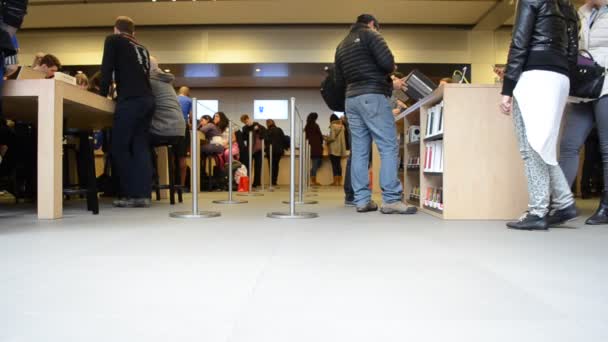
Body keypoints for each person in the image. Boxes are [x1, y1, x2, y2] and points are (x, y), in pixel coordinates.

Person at [500, 0, 579, 230]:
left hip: (535, 76)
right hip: (559, 78)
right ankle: (564, 204)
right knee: (542, 145)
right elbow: (573, 50)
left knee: (530, 147)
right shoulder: (569, 6)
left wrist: (507, 89)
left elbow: (519, 43)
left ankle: (538, 211)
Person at [334, 14, 417, 215]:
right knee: (388, 145)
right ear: (372, 24)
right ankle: (391, 199)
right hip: (373, 95)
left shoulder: (341, 45)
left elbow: (338, 79)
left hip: (351, 100)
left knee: (360, 151)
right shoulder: (371, 35)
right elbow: (388, 64)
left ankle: (362, 200)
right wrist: (389, 78)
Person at [559, 0, 608, 225]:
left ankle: (606, 207)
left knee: (606, 149)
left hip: (606, 84)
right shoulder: (582, 12)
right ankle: (560, 204)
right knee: (569, 144)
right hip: (583, 86)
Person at [100, 16, 155, 208]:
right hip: (148, 100)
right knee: (140, 147)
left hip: (130, 99)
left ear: (115, 30)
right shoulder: (143, 48)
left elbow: (106, 69)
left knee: (119, 147)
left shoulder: (113, 40)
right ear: (134, 33)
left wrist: (101, 94)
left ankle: (131, 194)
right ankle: (143, 194)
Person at [148, 56, 186, 147]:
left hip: (164, 129)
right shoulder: (163, 80)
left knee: (133, 136)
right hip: (178, 130)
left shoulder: (150, 81)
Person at [240, 114, 266, 188]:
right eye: (244, 122)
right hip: (250, 149)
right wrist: (253, 130)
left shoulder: (258, 125)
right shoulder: (244, 128)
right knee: (248, 166)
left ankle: (256, 183)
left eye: (246, 121)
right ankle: (247, 182)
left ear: (249, 118)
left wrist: (257, 130)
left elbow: (264, 135)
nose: (246, 123)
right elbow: (244, 137)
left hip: (258, 149)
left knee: (258, 166)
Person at [325, 114, 348, 186]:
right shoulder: (342, 126)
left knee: (334, 165)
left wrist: (326, 139)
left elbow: (332, 137)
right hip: (340, 148)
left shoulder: (332, 126)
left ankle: (335, 182)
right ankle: (339, 182)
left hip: (333, 148)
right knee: (338, 164)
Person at [176, 86, 191, 187]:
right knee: (182, 157)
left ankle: (171, 183)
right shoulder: (189, 100)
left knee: (172, 157)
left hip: (170, 128)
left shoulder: (173, 98)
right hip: (183, 127)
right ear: (188, 93)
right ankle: (181, 185)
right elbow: (192, 116)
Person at [305, 112, 323, 185]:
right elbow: (320, 135)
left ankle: (311, 178)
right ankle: (313, 180)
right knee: (316, 164)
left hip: (311, 147)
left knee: (315, 164)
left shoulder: (307, 126)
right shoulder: (315, 125)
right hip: (317, 147)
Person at [265, 119, 285, 186]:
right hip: (278, 151)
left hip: (270, 151)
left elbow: (266, 140)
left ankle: (272, 181)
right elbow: (283, 139)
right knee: (276, 166)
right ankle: (274, 181)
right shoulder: (279, 129)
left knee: (271, 166)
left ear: (267, 124)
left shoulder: (267, 131)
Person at [342, 115, 355, 206]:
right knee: (357, 155)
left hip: (352, 115)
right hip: (362, 114)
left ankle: (351, 195)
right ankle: (352, 195)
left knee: (355, 155)